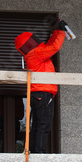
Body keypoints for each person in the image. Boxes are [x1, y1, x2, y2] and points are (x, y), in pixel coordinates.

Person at [14, 20, 67, 153]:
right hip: (43, 94)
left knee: (38, 125)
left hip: (38, 95)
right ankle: (39, 153)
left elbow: (49, 46)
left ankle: (34, 151)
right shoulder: (36, 53)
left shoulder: (33, 55)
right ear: (30, 42)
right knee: (44, 125)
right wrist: (61, 32)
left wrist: (56, 31)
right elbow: (54, 48)